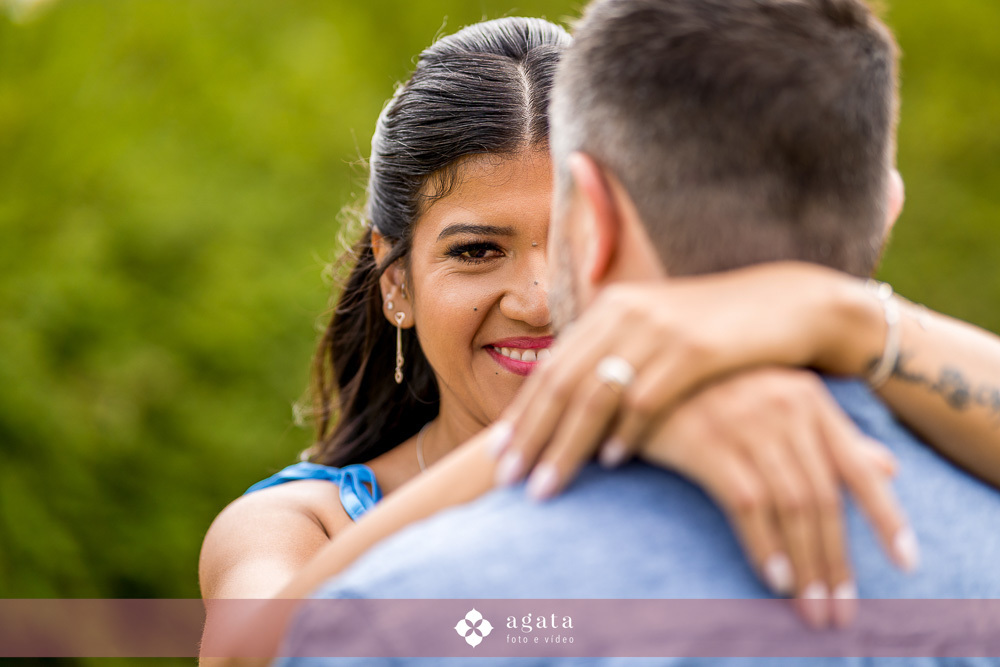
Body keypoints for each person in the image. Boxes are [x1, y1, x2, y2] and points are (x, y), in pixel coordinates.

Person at [199, 11, 1000, 662]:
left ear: (609, 227)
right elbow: (248, 653)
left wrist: (835, 314)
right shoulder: (298, 524)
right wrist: (597, 411)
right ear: (397, 280)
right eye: (478, 251)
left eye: (566, 239)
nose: (539, 298)